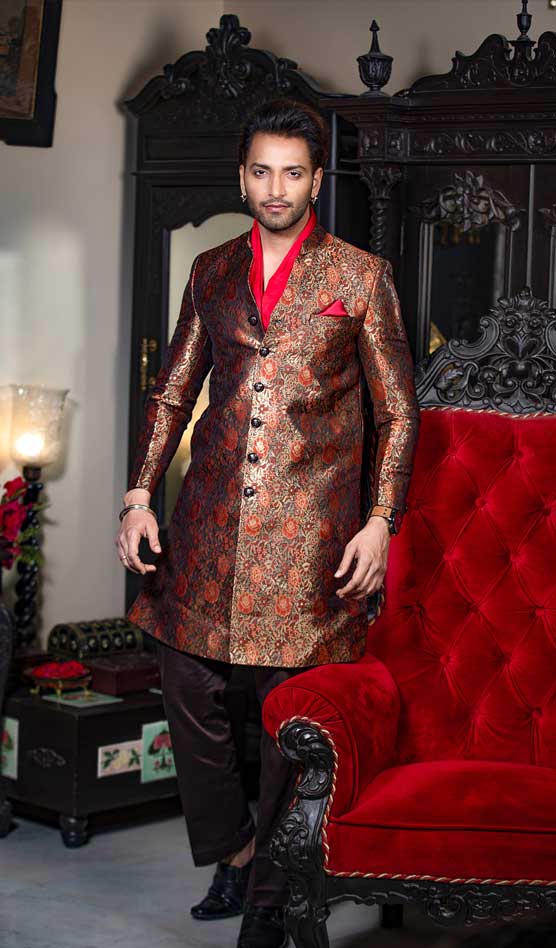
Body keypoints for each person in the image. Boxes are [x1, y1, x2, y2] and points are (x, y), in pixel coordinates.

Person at [115, 97, 420, 948]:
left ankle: (269, 901)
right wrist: (139, 496)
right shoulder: (211, 270)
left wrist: (381, 519)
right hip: (207, 526)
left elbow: (399, 413)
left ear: (316, 181)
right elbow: (172, 393)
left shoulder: (360, 276)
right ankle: (238, 850)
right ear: (241, 177)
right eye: (261, 172)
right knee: (186, 679)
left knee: (293, 719)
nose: (276, 188)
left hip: (314, 538)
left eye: (292, 173)